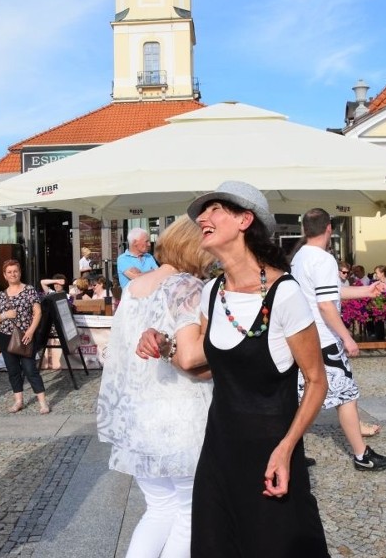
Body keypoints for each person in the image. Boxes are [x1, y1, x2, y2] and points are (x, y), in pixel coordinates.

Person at [138, 181, 330, 557]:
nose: (203, 219)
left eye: (215, 210)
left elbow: (316, 381)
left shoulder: (284, 294)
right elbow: (208, 368)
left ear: (245, 220)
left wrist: (286, 449)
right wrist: (164, 345)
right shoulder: (212, 293)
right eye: (202, 213)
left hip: (270, 455)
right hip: (219, 455)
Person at [97, 216, 215, 558]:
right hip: (183, 410)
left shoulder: (134, 289)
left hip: (139, 412)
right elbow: (193, 355)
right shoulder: (188, 286)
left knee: (159, 508)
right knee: (190, 511)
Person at [290, 208, 386, 471]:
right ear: (329, 229)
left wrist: (366, 291)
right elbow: (326, 304)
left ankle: (290, 452)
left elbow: (331, 292)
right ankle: (362, 456)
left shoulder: (300, 257)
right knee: (347, 396)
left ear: (305, 229)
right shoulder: (324, 260)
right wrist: (347, 338)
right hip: (324, 338)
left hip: (304, 337)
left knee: (302, 399)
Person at [0, 259, 49, 415]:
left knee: (31, 369)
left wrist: (30, 331)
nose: (12, 274)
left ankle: (42, 402)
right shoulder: (0, 296)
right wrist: (5, 315)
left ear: (20, 272)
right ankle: (18, 401)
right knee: (13, 370)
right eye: (9, 272)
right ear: (4, 275)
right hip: (5, 336)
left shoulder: (29, 290)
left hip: (25, 336)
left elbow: (38, 312)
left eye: (15, 271)